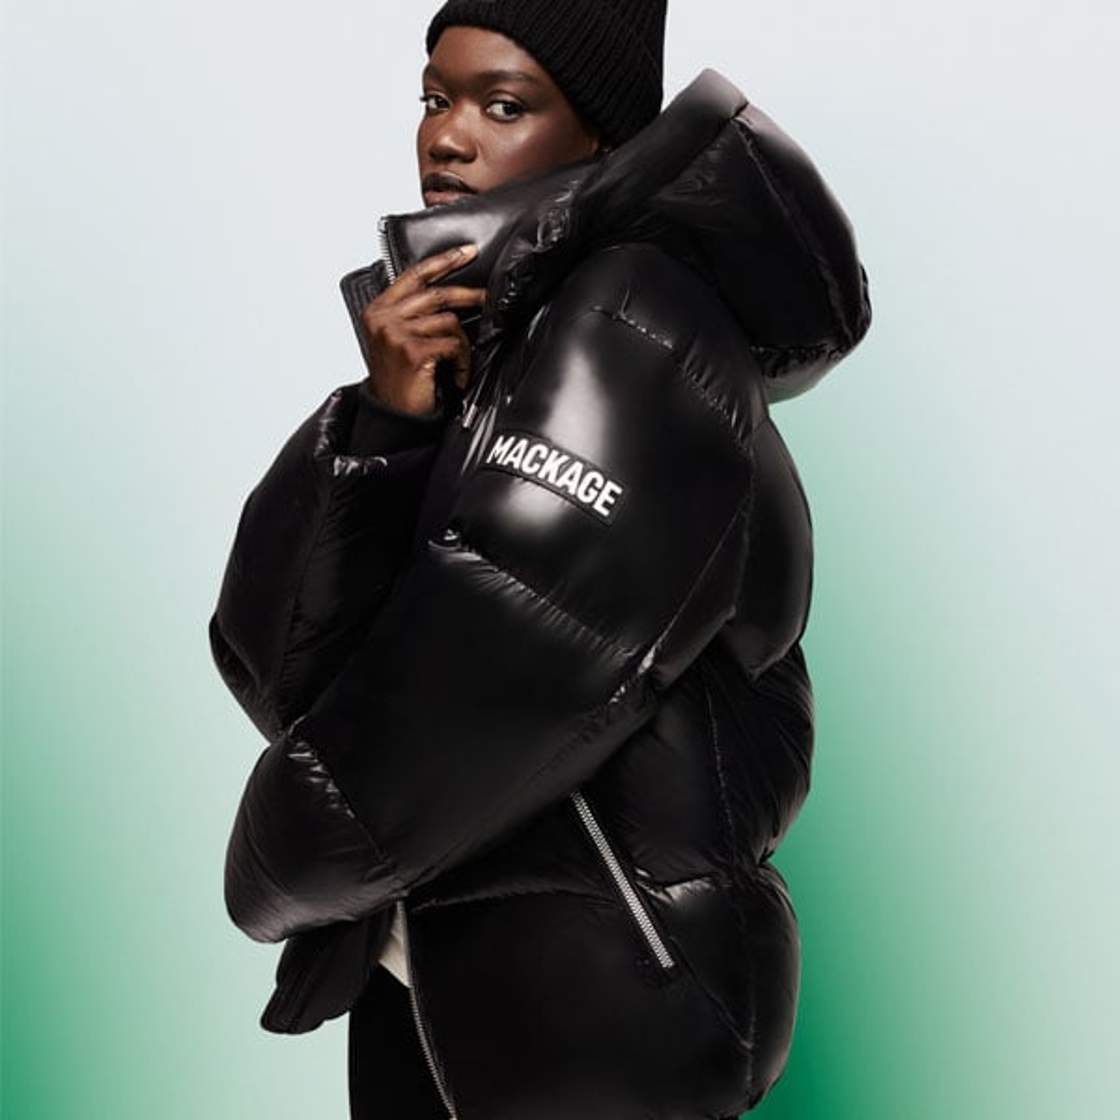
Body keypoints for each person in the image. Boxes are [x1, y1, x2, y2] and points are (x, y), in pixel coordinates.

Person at [208, 1, 873, 1117]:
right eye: (435, 97)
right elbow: (276, 664)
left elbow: (486, 671)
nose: (447, 136)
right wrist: (386, 422)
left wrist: (272, 869)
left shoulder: (630, 324)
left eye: (503, 105)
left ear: (603, 135)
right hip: (449, 983)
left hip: (593, 1012)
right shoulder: (495, 344)